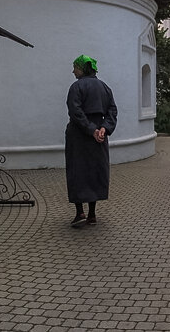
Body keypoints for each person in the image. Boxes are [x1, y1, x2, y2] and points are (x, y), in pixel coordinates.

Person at [64, 54, 117, 228]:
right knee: (95, 172)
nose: (73, 71)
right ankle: (92, 214)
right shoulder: (105, 87)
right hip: (99, 136)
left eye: (75, 67)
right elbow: (112, 110)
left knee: (77, 171)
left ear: (82, 68)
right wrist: (104, 128)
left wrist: (90, 129)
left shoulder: (76, 87)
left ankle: (80, 212)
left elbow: (76, 112)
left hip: (79, 136)